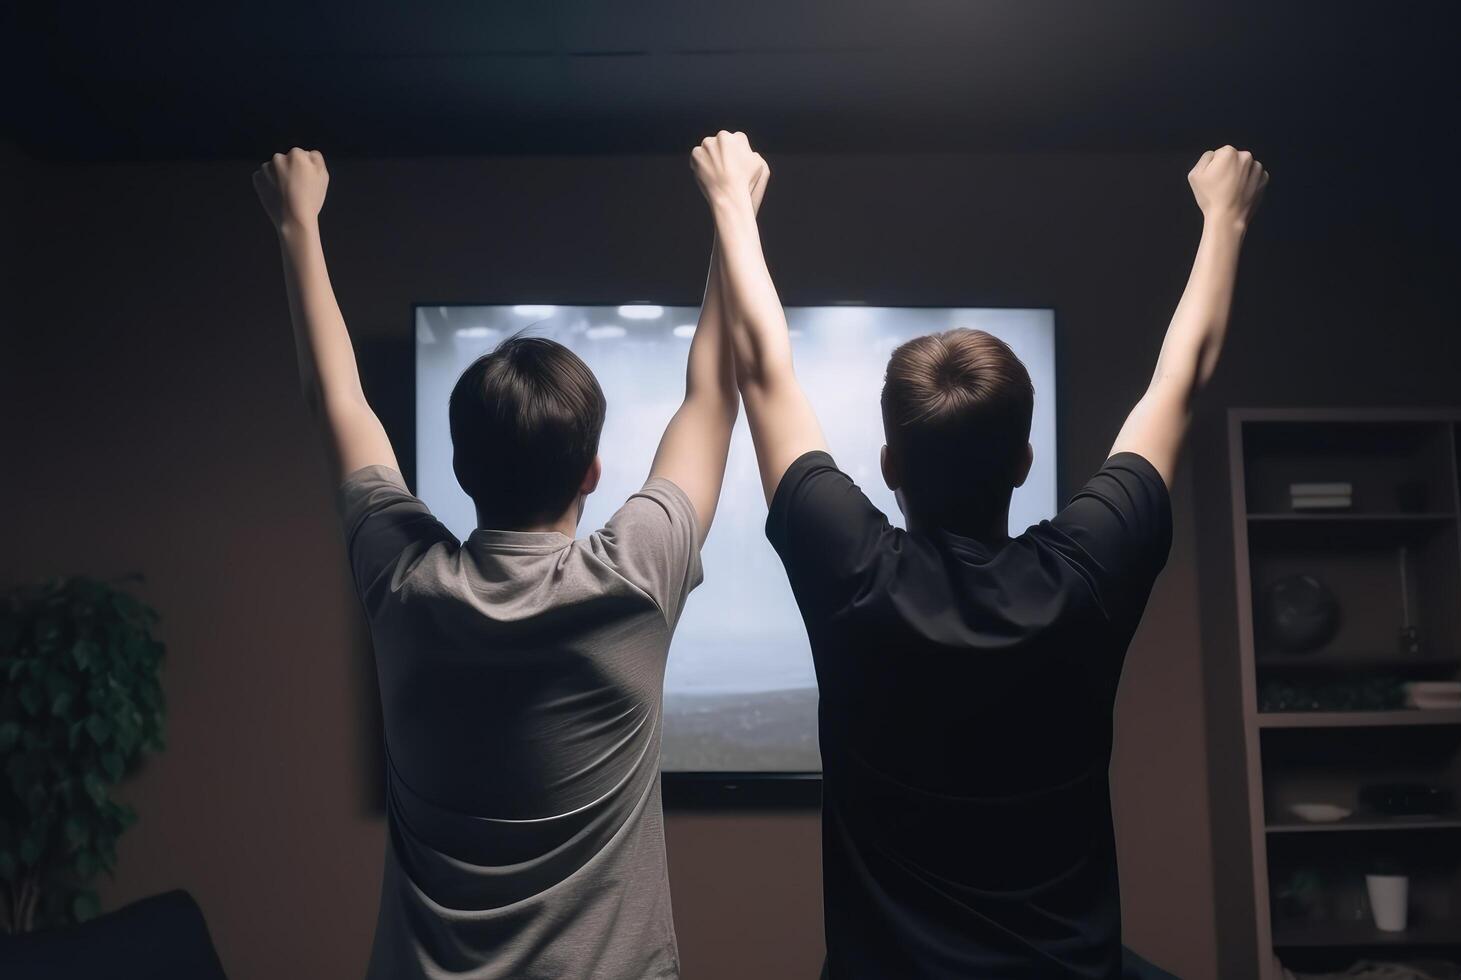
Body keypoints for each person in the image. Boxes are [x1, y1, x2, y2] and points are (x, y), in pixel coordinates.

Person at [692, 131, 1267, 977]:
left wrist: (733, 201)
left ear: (889, 468)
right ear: (1024, 463)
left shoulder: (854, 574)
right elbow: (1179, 378)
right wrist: (1226, 216)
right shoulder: (1085, 576)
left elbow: (762, 373)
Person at [252, 147, 763, 979]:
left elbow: (336, 400)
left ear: (458, 471)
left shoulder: (406, 583)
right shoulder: (634, 578)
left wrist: (297, 223)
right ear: (593, 472)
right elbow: (714, 395)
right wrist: (729, 211)